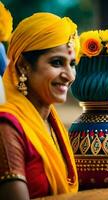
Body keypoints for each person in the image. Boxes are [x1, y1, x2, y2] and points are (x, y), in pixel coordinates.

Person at [0, 13, 79, 199]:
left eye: (73, 64)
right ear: (23, 66)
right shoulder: (7, 127)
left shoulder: (52, 122)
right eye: (57, 63)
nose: (70, 75)